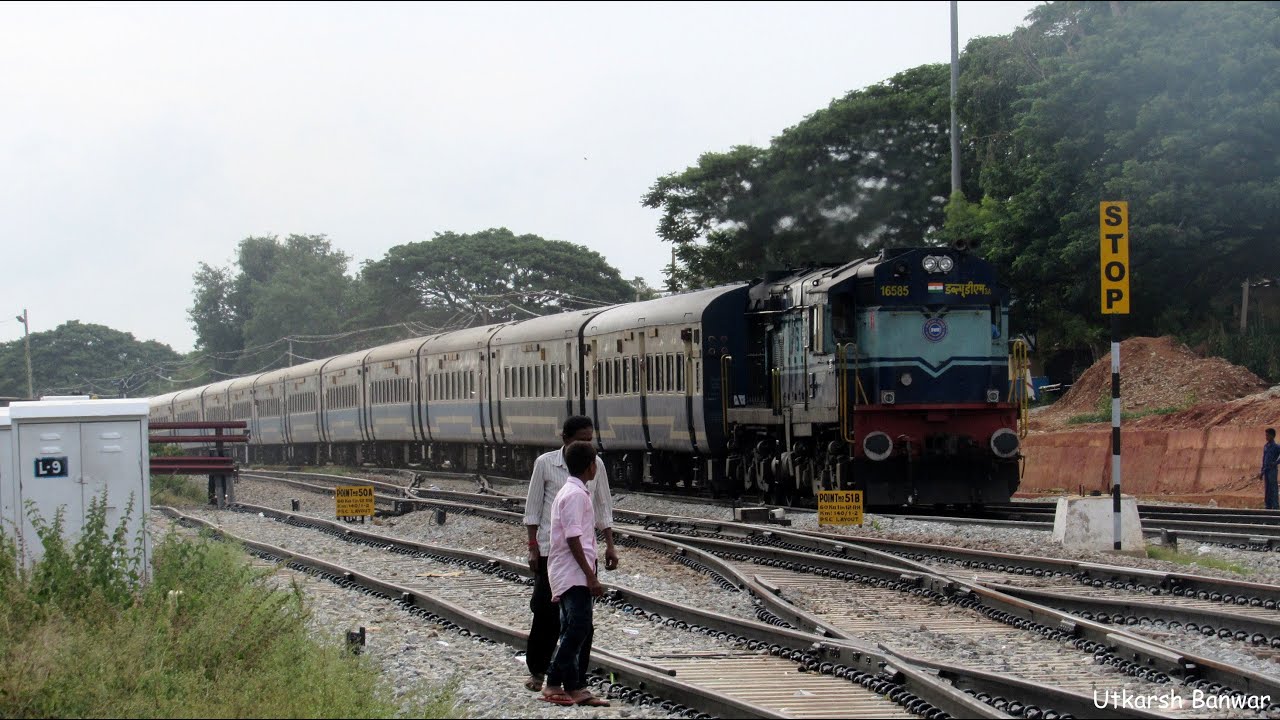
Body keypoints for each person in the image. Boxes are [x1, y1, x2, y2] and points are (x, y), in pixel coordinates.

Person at [523, 416, 618, 694]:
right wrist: (532, 546)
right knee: (546, 613)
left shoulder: (596, 465)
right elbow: (533, 509)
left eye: (590, 439)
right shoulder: (545, 464)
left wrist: (610, 544)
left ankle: (575, 676)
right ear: (565, 439)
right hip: (551, 551)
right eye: (582, 439)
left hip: (583, 554)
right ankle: (540, 671)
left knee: (580, 620)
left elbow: (603, 506)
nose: (588, 444)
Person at [539, 440, 610, 707]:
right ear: (591, 467)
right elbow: (573, 538)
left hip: (568, 571)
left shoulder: (572, 492)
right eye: (595, 463)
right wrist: (590, 577)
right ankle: (554, 681)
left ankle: (576, 687)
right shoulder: (575, 495)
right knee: (579, 626)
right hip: (572, 573)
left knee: (573, 627)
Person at [1261, 428, 1279, 510]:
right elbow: (1264, 459)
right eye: (1265, 435)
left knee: (1273, 488)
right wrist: (1261, 472)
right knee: (1267, 488)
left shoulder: (1276, 447)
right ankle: (1268, 505)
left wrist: (1275, 463)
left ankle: (1275, 506)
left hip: (1272, 470)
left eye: (1267, 435)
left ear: (1272, 436)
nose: (1266, 437)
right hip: (1266, 470)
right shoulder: (1266, 446)